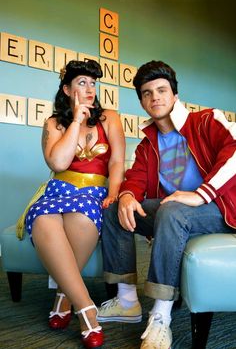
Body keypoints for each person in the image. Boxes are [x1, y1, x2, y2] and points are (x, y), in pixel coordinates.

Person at [97, 60, 236, 349]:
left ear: (174, 94)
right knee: (113, 209)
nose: (155, 97)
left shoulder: (206, 121)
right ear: (142, 102)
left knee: (172, 210)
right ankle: (126, 301)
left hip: (219, 209)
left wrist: (201, 194)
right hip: (175, 212)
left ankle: (161, 316)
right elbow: (134, 179)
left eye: (162, 90)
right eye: (147, 93)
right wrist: (126, 196)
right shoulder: (148, 144)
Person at [18, 60, 125, 348]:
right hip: (59, 188)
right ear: (67, 89)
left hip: (94, 191)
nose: (90, 89)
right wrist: (76, 120)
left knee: (81, 216)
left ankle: (64, 296)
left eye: (92, 83)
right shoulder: (54, 123)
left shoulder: (110, 119)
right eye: (81, 83)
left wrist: (113, 192)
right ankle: (86, 309)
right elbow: (58, 162)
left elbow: (116, 161)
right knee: (41, 218)